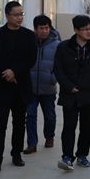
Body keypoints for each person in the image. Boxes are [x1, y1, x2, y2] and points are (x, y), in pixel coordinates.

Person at [0, 1, 37, 172]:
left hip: (21, 86)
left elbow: (31, 59)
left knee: (19, 123)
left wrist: (15, 71)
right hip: (1, 86)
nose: (19, 18)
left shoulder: (29, 36)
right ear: (7, 16)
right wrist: (5, 73)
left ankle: (16, 154)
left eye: (21, 14)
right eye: (16, 14)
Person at [53, 15, 90, 171]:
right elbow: (58, 69)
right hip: (69, 93)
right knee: (69, 126)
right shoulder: (64, 47)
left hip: (89, 93)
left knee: (86, 127)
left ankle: (82, 155)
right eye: (85, 29)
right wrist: (68, 86)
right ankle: (67, 156)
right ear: (76, 30)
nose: (88, 32)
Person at [23, 15, 60, 154]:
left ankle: (49, 137)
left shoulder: (57, 45)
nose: (44, 31)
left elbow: (61, 65)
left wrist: (53, 78)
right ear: (35, 29)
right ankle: (32, 143)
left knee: (50, 117)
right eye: (41, 28)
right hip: (30, 87)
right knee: (30, 116)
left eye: (46, 28)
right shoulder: (28, 43)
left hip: (48, 88)